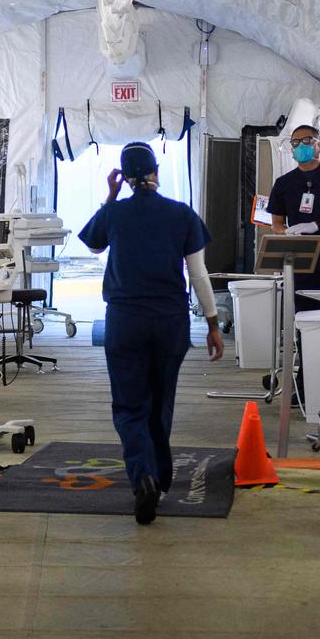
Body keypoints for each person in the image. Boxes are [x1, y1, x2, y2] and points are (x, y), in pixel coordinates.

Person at [78, 142, 225, 525]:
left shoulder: (115, 213)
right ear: (156, 171)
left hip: (126, 320)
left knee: (130, 406)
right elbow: (198, 275)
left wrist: (110, 196)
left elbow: (93, 244)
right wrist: (211, 323)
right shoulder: (181, 214)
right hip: (170, 321)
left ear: (123, 176)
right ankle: (159, 478)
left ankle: (142, 474)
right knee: (160, 402)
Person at [266, 124, 320, 409]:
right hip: (301, 263)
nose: (301, 146)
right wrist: (286, 234)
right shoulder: (284, 183)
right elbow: (277, 223)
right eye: (296, 142)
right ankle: (305, 389)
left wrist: (317, 224)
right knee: (305, 325)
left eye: (307, 141)